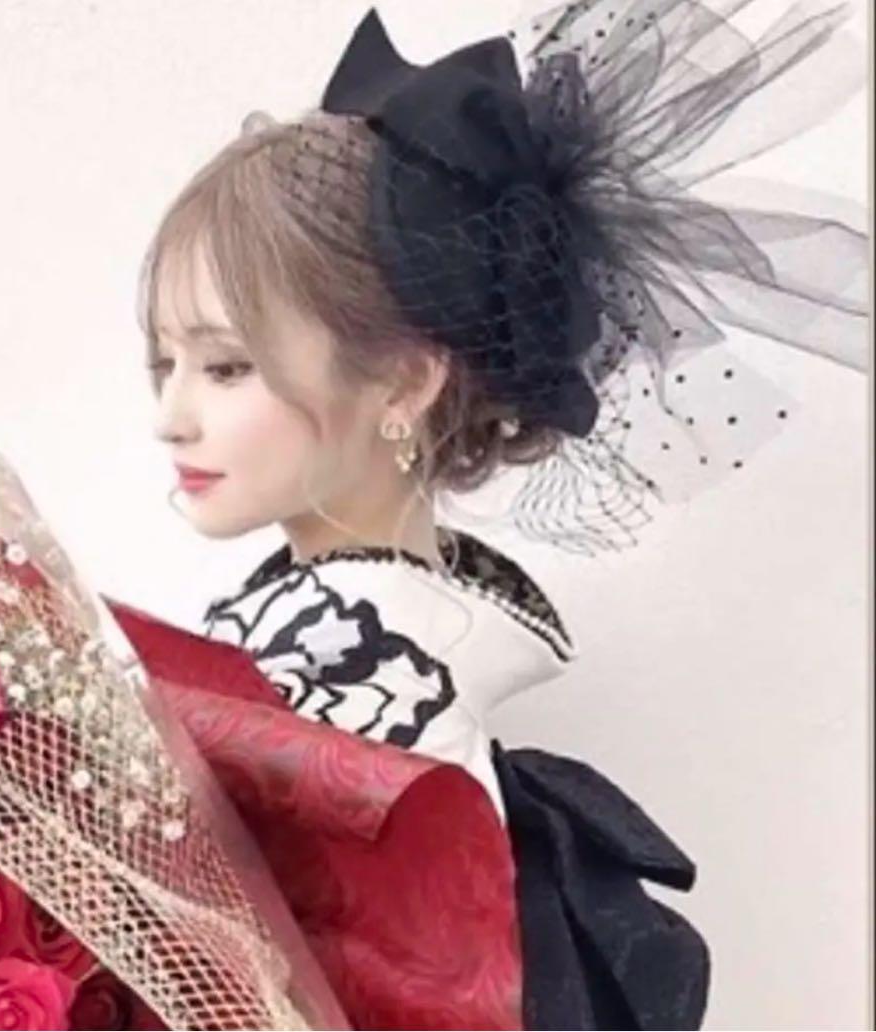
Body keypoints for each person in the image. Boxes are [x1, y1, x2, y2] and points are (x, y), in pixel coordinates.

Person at [111, 2, 868, 1029]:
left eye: (227, 367)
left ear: (404, 382)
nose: (172, 416)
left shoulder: (362, 673)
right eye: (165, 365)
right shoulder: (377, 633)